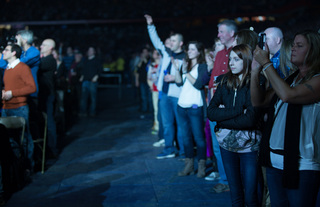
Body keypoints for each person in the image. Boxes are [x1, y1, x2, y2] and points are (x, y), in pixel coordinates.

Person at [251, 30, 320, 207]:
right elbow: (258, 101)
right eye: (294, 45)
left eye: (300, 45)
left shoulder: (317, 80)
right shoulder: (291, 79)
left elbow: (288, 96)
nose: (293, 49)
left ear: (314, 50)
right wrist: (254, 71)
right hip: (274, 162)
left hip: (301, 164)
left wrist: (266, 63)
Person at [208, 44, 263, 206]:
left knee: (251, 195)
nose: (231, 63)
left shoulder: (256, 81)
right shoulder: (225, 81)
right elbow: (211, 112)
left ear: (246, 60)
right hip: (227, 144)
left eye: (236, 59)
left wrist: (223, 116)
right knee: (236, 195)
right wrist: (240, 110)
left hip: (249, 147)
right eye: (230, 59)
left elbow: (250, 120)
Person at [144, 14, 186, 159]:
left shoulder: (185, 57)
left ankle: (183, 152)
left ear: (180, 43)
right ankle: (169, 149)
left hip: (178, 96)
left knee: (180, 126)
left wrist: (175, 77)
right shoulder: (167, 54)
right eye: (170, 41)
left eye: (174, 41)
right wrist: (150, 25)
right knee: (167, 125)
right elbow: (156, 41)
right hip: (165, 95)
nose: (170, 43)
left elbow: (188, 77)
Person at [206, 19, 238, 193]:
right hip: (217, 109)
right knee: (219, 148)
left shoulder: (240, 52)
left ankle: (234, 182)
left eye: (221, 32)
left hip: (232, 109)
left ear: (231, 33)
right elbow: (212, 83)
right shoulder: (219, 54)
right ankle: (226, 180)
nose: (218, 35)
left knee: (234, 147)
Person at [0, 44, 36, 191]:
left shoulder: (22, 67)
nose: (3, 52)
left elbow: (32, 87)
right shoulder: (7, 69)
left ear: (14, 53)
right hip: (6, 108)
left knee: (25, 138)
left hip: (19, 107)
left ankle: (28, 167)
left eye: (6, 50)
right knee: (8, 140)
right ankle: (16, 169)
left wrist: (11, 93)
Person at [174, 41, 209, 178]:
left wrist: (186, 72)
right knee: (186, 138)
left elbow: (199, 85)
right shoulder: (185, 64)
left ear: (199, 51)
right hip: (182, 106)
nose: (189, 51)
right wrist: (178, 70)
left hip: (195, 107)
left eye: (193, 49)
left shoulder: (202, 66)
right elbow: (178, 83)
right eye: (188, 49)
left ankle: (201, 167)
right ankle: (189, 166)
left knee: (199, 138)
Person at [38, 39, 58, 157]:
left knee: (49, 121)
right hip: (45, 94)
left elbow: (38, 65)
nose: (41, 46)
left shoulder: (49, 60)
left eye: (44, 45)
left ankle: (52, 149)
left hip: (48, 94)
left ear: (50, 48)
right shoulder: (46, 59)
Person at [79, 46, 102, 117]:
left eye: (91, 50)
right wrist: (82, 76)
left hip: (93, 81)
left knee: (93, 98)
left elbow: (100, 70)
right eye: (89, 50)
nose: (89, 52)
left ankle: (92, 112)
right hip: (85, 81)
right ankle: (83, 112)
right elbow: (83, 70)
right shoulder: (85, 60)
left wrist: (96, 77)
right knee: (84, 98)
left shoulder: (97, 60)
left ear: (94, 52)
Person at [147, 49, 161, 133]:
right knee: (156, 109)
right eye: (154, 53)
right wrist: (151, 86)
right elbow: (148, 78)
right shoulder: (152, 65)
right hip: (155, 90)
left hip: (161, 90)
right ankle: (157, 126)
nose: (155, 54)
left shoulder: (163, 64)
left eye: (157, 53)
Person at [135, 47, 152, 113]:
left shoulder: (150, 59)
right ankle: (144, 109)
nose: (144, 53)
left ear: (148, 52)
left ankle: (150, 109)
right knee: (143, 96)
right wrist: (137, 81)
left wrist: (145, 60)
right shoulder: (140, 61)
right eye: (143, 52)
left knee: (149, 97)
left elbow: (148, 68)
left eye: (145, 52)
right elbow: (137, 70)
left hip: (148, 81)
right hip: (142, 81)